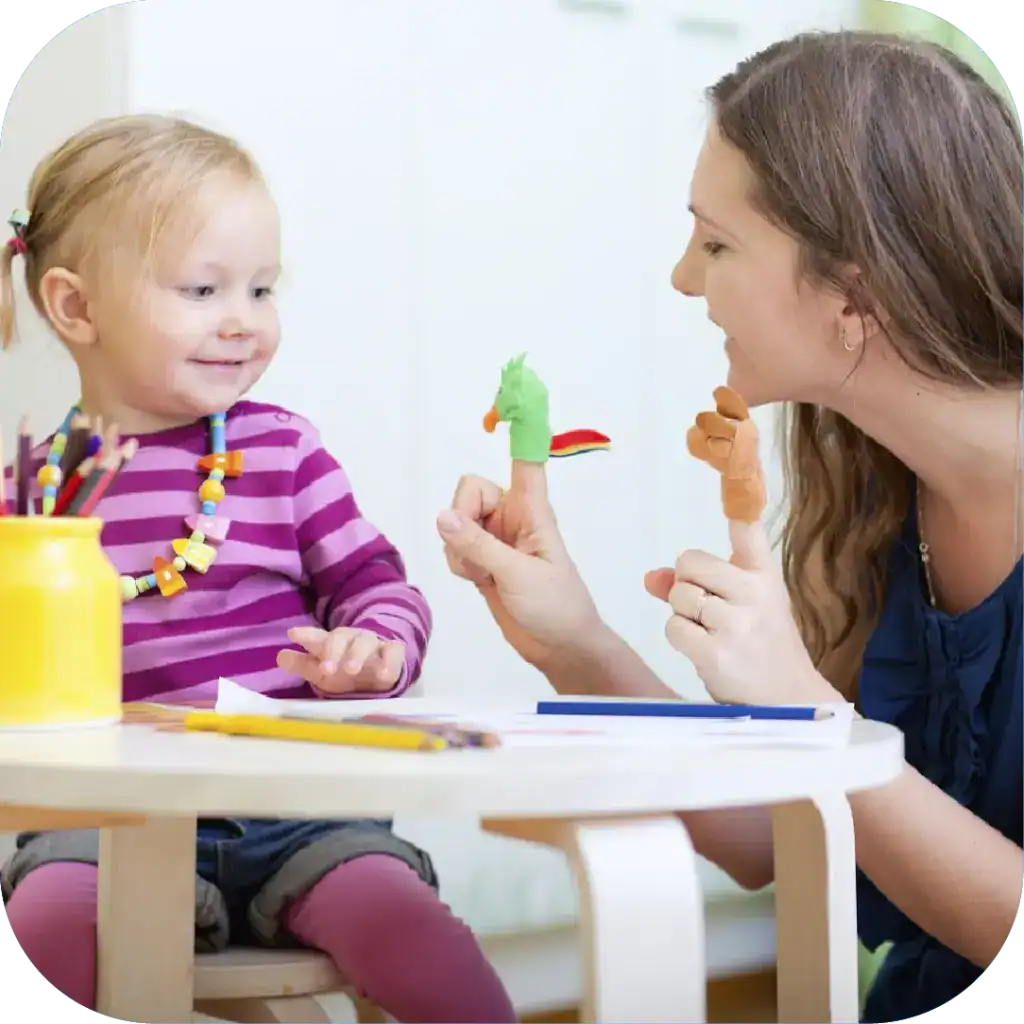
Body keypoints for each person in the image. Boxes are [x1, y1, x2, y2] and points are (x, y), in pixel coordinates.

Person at [436, 30, 1022, 1023]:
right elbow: (772, 836)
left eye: (715, 242)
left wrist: (807, 707)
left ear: (857, 287)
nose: (680, 278)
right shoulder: (876, 495)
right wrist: (572, 639)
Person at [0, 114, 514, 1023]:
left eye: (263, 289)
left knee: (409, 930)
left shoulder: (282, 454)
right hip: (109, 823)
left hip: (302, 812)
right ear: (76, 308)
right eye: (203, 289)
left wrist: (376, 650)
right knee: (43, 921)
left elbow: (379, 585)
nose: (243, 320)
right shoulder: (32, 496)